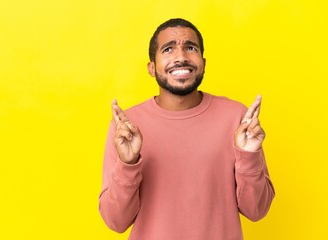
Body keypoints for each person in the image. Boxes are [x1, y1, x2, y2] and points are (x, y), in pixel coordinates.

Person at [99, 18, 275, 240]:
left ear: (203, 62)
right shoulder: (127, 127)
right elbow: (115, 221)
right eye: (168, 48)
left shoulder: (237, 119)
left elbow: (257, 211)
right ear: (152, 68)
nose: (181, 57)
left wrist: (249, 156)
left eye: (190, 48)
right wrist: (128, 164)